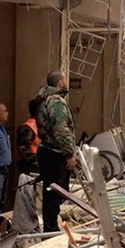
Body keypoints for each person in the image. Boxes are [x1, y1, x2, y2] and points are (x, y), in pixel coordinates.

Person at [36, 70, 76, 232]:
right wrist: (69, 153)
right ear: (60, 82)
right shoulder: (56, 101)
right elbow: (61, 129)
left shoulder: (45, 99)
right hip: (54, 153)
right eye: (65, 79)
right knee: (54, 193)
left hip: (48, 151)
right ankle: (51, 229)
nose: (66, 82)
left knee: (52, 193)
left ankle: (50, 226)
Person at [17, 99, 41, 175]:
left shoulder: (40, 124)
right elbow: (24, 148)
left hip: (38, 163)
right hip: (32, 166)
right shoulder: (28, 127)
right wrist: (35, 162)